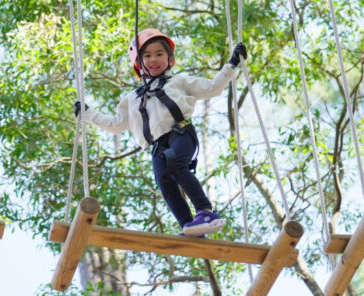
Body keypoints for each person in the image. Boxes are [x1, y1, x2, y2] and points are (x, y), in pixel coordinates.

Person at [74, 29, 246, 236]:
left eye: (159, 54)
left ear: (169, 59)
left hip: (180, 133)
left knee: (178, 167)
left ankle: (206, 211)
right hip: (157, 147)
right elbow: (115, 124)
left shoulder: (179, 82)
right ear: (138, 63)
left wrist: (232, 64)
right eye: (147, 55)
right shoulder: (132, 98)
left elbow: (212, 87)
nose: (153, 59)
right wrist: (87, 113)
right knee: (164, 182)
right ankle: (189, 226)